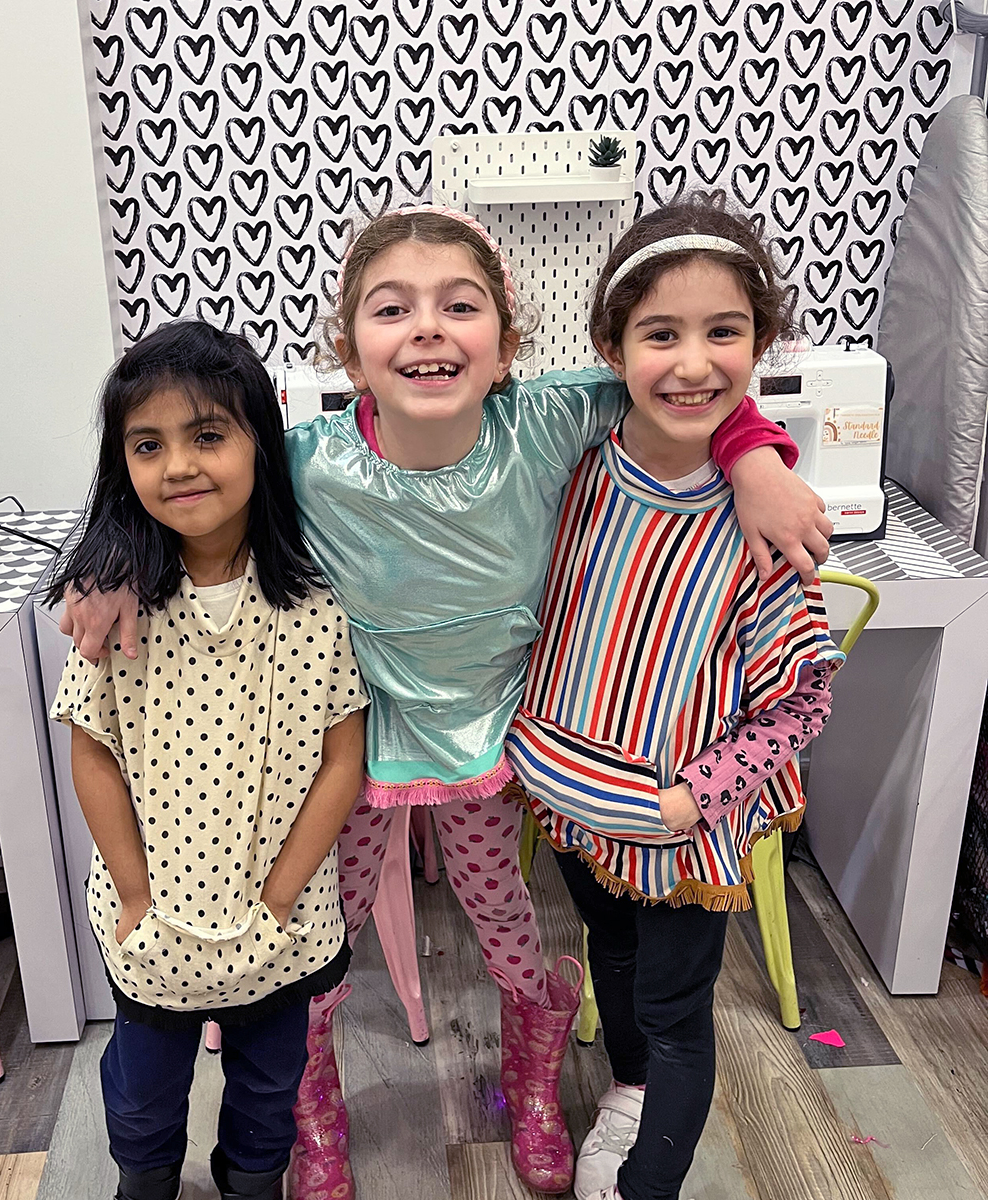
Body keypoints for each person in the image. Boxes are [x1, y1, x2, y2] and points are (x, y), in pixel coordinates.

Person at [62, 205, 832, 1199]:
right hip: (352, 754)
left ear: (507, 344)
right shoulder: (306, 462)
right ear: (348, 350)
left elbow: (685, 379)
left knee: (509, 927)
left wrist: (756, 458)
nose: (427, 327)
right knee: (319, 945)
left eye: (458, 306)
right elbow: (190, 491)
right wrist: (111, 566)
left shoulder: (550, 419)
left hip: (493, 746)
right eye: (394, 309)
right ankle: (315, 1112)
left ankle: (532, 1080)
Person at [504, 193, 845, 1200]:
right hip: (574, 796)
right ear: (613, 345)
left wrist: (694, 799)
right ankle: (629, 1092)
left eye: (723, 332)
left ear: (762, 340)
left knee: (676, 1006)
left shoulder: (762, 528)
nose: (694, 363)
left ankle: (651, 1179)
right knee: (609, 947)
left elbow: (799, 702)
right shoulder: (575, 467)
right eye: (662, 333)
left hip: (679, 823)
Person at [47, 321, 369, 1200]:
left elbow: (344, 758)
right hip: (155, 924)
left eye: (209, 435)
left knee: (270, 1087)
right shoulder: (118, 605)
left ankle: (253, 1181)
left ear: (260, 443)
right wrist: (140, 896)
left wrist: (277, 897)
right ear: (124, 464)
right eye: (149, 445)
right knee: (146, 1091)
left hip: (282, 924)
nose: (179, 464)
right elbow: (93, 752)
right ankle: (144, 1181)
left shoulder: (315, 600)